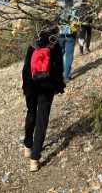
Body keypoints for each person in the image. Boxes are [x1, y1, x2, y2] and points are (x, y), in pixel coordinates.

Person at [22, 27, 65, 172]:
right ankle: (34, 159)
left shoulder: (33, 43)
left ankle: (28, 145)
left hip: (31, 86)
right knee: (42, 121)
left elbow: (26, 69)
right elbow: (59, 68)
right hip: (47, 86)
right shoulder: (55, 45)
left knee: (31, 114)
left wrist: (26, 86)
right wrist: (59, 86)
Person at [58, 0, 78, 81]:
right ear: (72, 2)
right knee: (69, 56)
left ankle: (59, 75)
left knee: (60, 55)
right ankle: (66, 76)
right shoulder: (75, 11)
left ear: (65, 2)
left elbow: (57, 22)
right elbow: (77, 24)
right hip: (70, 36)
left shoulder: (61, 10)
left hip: (61, 35)